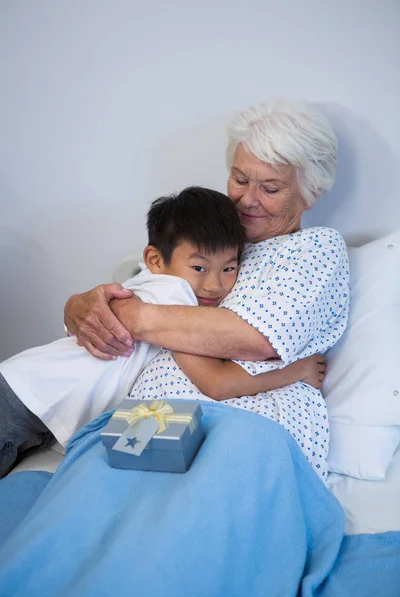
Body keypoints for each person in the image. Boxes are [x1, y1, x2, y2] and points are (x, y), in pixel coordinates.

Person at [65, 99, 350, 480]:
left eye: (271, 187)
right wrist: (78, 307)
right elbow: (134, 293)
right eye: (240, 179)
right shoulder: (206, 241)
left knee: (199, 515)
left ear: (310, 193)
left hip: (247, 419)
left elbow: (256, 338)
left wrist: (130, 315)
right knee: (89, 505)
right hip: (149, 417)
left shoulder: (315, 249)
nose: (248, 199)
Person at [0, 187, 324, 478]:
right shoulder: (173, 297)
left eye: (229, 268)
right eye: (199, 268)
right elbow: (216, 383)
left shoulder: (151, 287)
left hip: (30, 404)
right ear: (155, 259)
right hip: (18, 402)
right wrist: (298, 370)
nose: (214, 284)